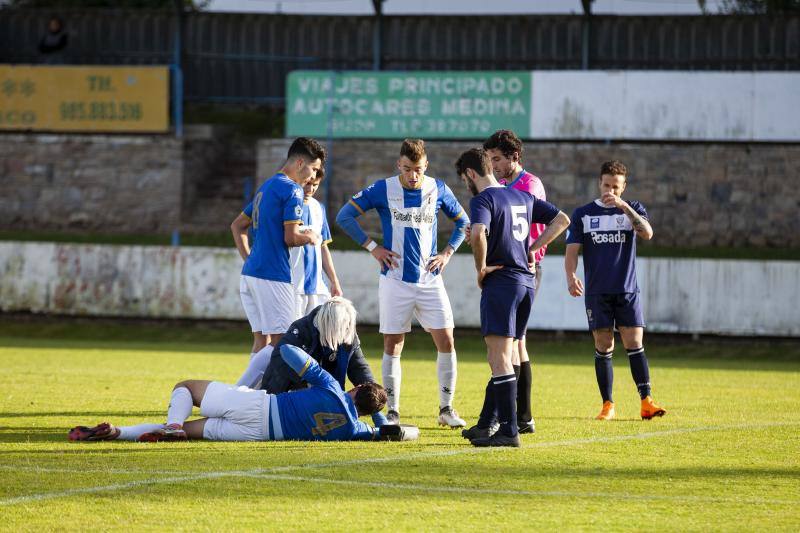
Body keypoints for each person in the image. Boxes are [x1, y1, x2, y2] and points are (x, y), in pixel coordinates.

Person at [335, 139, 469, 428]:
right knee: (393, 344)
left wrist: (447, 253)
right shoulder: (383, 189)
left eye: (418, 169)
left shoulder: (438, 188)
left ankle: (446, 409)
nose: (413, 176)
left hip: (430, 279)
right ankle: (393, 410)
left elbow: (463, 223)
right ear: (399, 164)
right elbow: (344, 216)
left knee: (447, 340)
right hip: (395, 279)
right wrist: (373, 247)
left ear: (426, 166)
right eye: (407, 169)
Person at [68, 344, 419, 443]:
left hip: (257, 404)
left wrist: (314, 362)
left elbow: (291, 354)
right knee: (187, 434)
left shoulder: (331, 386)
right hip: (257, 434)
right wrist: (387, 424)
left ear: (355, 388)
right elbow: (388, 434)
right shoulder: (353, 431)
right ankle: (117, 434)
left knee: (186, 387)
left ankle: (174, 423)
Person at [455, 148, 569, 447]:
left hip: (503, 281)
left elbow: (478, 233)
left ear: (470, 174)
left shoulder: (484, 199)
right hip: (526, 283)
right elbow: (562, 219)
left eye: (464, 178)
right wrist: (532, 249)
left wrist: (480, 269)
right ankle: (490, 426)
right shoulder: (521, 196)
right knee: (510, 353)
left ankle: (508, 430)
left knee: (498, 357)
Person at [564, 160, 667, 421]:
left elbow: (648, 233)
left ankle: (647, 401)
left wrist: (624, 207)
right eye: (607, 185)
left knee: (634, 343)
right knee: (604, 344)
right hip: (598, 291)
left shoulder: (633, 210)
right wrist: (570, 275)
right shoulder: (583, 214)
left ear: (624, 187)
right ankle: (607, 404)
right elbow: (572, 250)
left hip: (627, 289)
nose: (611, 190)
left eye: (616, 187)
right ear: (599, 183)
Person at [230, 137, 325, 358]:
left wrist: (249, 258)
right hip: (273, 275)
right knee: (283, 342)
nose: (313, 176)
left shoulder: (268, 186)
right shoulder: (293, 191)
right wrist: (309, 236)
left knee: (263, 343)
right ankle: (266, 392)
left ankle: (248, 391)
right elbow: (291, 238)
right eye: (313, 169)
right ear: (300, 163)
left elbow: (237, 226)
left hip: (251, 274)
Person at [234, 296, 388, 427]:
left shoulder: (348, 336)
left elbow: (359, 368)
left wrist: (376, 407)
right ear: (329, 323)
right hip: (288, 397)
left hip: (326, 400)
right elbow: (280, 366)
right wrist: (314, 387)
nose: (347, 330)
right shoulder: (300, 330)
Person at [483, 129, 547, 434]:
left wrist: (533, 250)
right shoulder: (505, 185)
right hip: (510, 271)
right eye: (490, 159)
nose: (493, 165)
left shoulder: (530, 185)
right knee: (516, 345)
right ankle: (521, 418)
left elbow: (551, 221)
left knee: (512, 345)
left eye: (497, 158)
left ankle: (509, 417)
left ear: (514, 157)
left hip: (525, 270)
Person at [289, 166, 342, 320]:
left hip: (317, 287)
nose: (310, 189)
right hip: (293, 286)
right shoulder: (288, 205)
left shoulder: (319, 208)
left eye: (315, 184)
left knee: (317, 338)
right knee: (288, 337)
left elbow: (323, 247)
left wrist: (334, 281)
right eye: (307, 183)